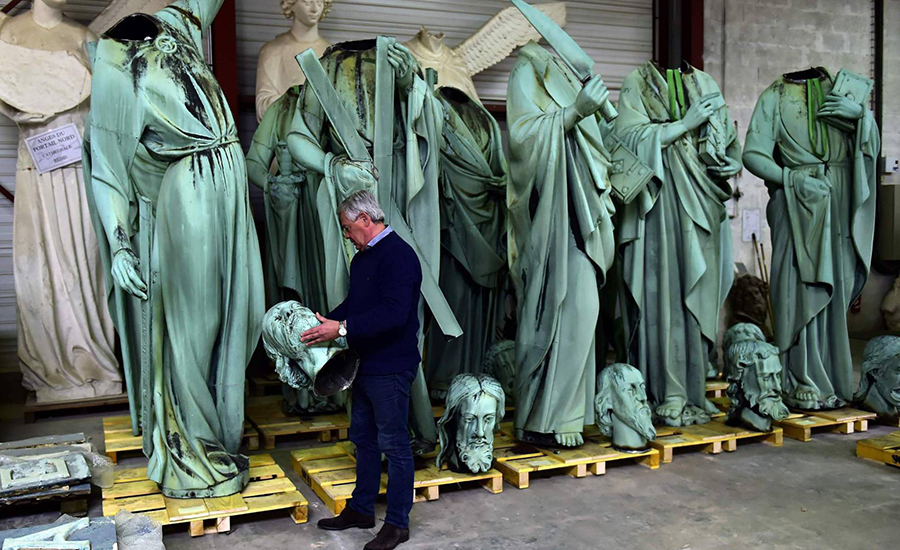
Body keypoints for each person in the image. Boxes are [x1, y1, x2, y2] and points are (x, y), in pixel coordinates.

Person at [301, 190, 420, 550]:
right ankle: (362, 509)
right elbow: (356, 304)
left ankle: (398, 523)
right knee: (364, 440)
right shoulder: (363, 259)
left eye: (349, 228)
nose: (348, 236)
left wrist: (340, 329)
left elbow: (394, 314)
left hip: (391, 368)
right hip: (364, 365)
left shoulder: (399, 256)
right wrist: (326, 321)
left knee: (395, 445)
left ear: (366, 220)